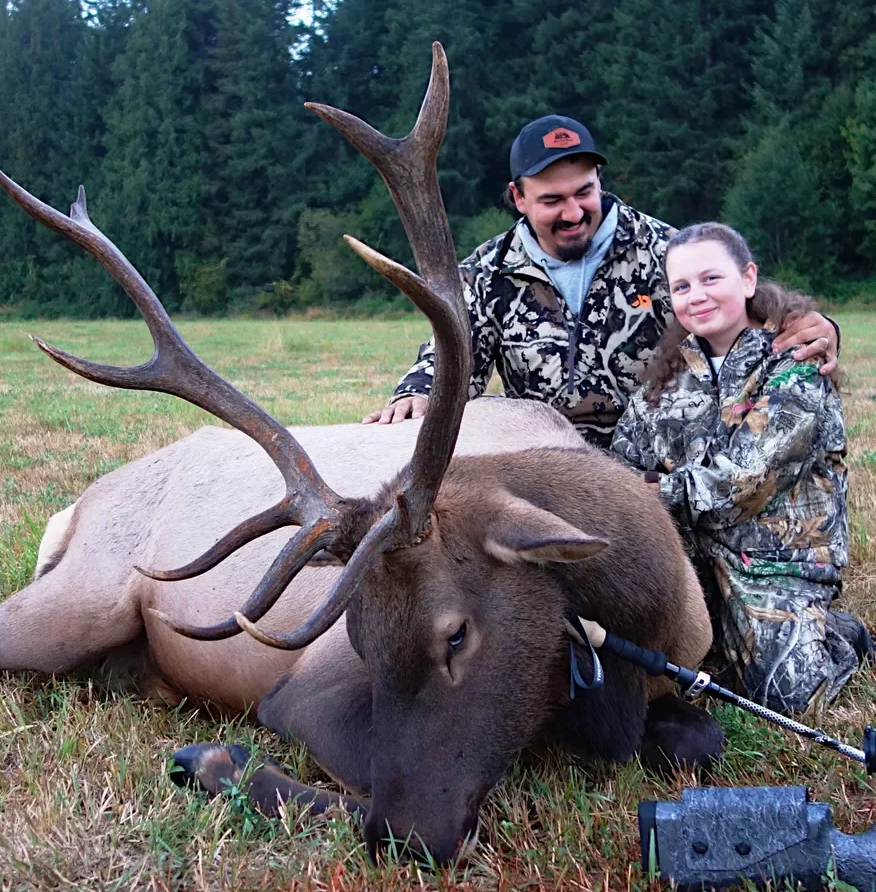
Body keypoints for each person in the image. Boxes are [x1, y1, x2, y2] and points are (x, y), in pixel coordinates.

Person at [362, 116, 839, 448]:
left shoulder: (664, 250)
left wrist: (819, 328)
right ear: (518, 198)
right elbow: (452, 354)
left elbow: (741, 304)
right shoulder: (487, 272)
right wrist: (415, 395)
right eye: (552, 200)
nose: (573, 214)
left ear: (599, 179)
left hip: (655, 462)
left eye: (584, 192)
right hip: (542, 467)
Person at [611, 222, 867, 715]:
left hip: (775, 560)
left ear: (747, 279)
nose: (697, 297)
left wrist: (637, 495)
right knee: (654, 661)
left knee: (785, 696)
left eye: (711, 279)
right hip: (690, 553)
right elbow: (624, 461)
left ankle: (840, 636)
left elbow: (740, 483)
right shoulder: (665, 376)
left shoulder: (795, 363)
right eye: (682, 287)